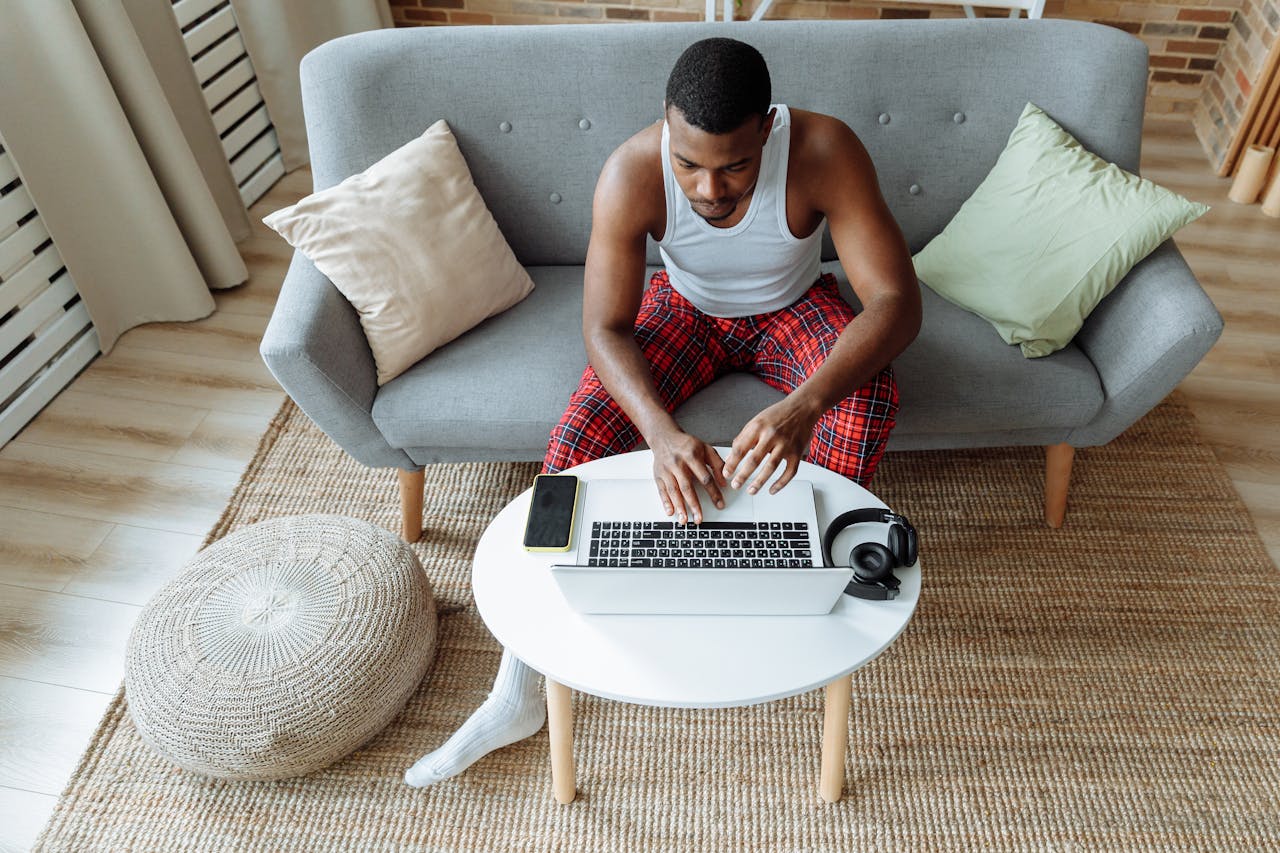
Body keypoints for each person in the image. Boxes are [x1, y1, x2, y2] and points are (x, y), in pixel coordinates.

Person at [404, 36, 921, 788]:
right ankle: (516, 691)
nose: (709, 189)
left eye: (734, 166)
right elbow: (602, 327)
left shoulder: (824, 148)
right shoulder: (630, 171)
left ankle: (789, 583)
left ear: (767, 131)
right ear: (667, 134)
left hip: (795, 307)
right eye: (690, 164)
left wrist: (803, 407)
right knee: (573, 442)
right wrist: (659, 432)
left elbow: (897, 305)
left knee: (868, 399)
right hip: (683, 310)